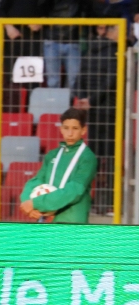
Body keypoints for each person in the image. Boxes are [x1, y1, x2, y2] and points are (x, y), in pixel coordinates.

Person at [19, 108, 97, 224]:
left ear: (83, 130)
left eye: (75, 128)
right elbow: (37, 180)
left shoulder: (87, 157)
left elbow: (74, 190)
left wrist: (36, 203)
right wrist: (27, 201)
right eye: (66, 128)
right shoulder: (52, 155)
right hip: (47, 220)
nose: (70, 133)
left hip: (72, 221)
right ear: (61, 129)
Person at [75, 24, 118, 214]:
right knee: (110, 158)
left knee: (94, 158)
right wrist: (92, 100)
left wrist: (85, 100)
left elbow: (80, 78)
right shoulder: (114, 52)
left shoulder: (88, 51)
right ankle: (109, 203)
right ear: (110, 32)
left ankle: (91, 203)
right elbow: (111, 80)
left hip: (92, 113)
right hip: (110, 111)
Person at [41, 0, 90, 94]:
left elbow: (87, 8)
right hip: (53, 39)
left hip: (71, 40)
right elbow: (41, 7)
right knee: (54, 81)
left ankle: (70, 102)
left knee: (74, 80)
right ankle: (56, 103)